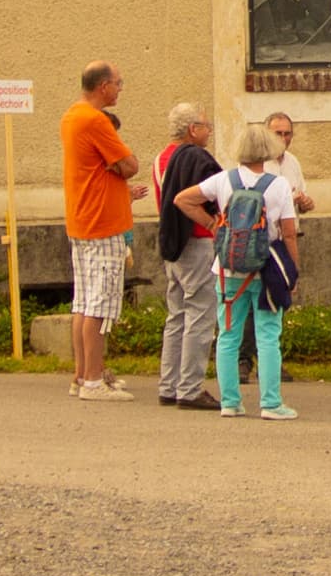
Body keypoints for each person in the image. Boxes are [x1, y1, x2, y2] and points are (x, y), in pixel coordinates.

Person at [179, 122, 300, 418]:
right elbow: (288, 233)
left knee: (228, 335)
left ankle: (230, 402)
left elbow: (182, 199)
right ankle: (271, 403)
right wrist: (293, 271)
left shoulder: (223, 180)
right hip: (267, 269)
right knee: (268, 335)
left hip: (228, 268)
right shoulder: (278, 185)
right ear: (268, 150)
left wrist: (213, 225)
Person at [58, 60, 142, 401]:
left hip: (82, 220)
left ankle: (82, 375)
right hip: (103, 223)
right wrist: (119, 166)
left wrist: (115, 167)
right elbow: (130, 165)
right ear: (103, 85)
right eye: (118, 83)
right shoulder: (95, 120)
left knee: (83, 303)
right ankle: (93, 381)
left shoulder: (71, 115)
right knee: (100, 306)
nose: (120, 89)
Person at [150, 104, 224, 409]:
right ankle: (190, 387)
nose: (209, 132)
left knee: (177, 314)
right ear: (192, 129)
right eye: (206, 126)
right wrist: (212, 222)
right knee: (200, 314)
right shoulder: (194, 159)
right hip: (196, 238)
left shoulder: (160, 159)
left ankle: (169, 384)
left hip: (173, 242)